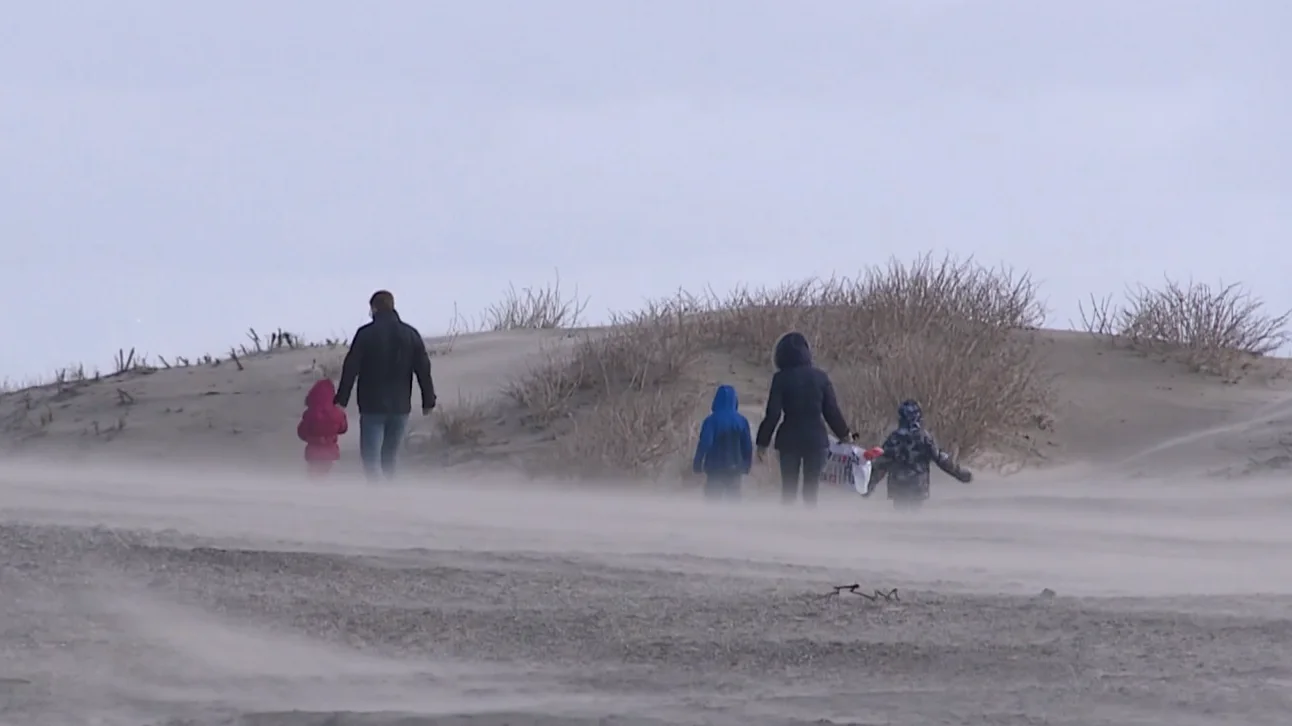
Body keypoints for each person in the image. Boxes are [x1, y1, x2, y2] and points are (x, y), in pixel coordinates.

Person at [334, 290, 437, 481]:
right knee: (390, 458)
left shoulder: (365, 334)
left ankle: (379, 499)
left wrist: (341, 399)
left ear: (373, 308)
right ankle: (391, 497)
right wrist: (428, 400)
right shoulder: (410, 334)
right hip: (400, 407)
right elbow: (423, 368)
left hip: (372, 405)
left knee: (371, 459)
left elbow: (351, 368)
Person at [754, 332, 853, 506]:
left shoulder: (781, 379)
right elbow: (831, 411)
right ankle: (810, 526)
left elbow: (773, 414)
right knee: (811, 490)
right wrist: (844, 435)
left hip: (788, 440)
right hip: (816, 440)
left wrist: (762, 443)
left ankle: (787, 526)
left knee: (789, 490)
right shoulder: (821, 377)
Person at [864, 399, 972, 509]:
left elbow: (881, 465)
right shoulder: (924, 438)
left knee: (899, 520)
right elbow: (941, 459)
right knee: (914, 519)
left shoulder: (894, 438)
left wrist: (868, 486)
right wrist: (960, 474)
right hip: (917, 487)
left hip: (898, 487)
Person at [691, 384, 754, 501]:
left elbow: (705, 443)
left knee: (713, 504)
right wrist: (747, 465)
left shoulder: (710, 421)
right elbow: (747, 446)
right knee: (733, 505)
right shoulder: (742, 421)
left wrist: (697, 463)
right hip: (735, 468)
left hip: (715, 469)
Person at [296, 378, 349, 478]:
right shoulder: (337, 414)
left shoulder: (310, 414)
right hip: (330, 453)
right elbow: (343, 428)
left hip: (313, 453)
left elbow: (301, 433)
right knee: (326, 477)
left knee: (314, 478)